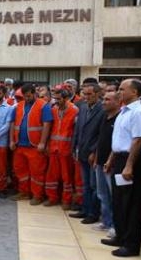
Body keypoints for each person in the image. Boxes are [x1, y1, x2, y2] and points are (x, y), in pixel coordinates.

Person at [101, 79, 141, 257]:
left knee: (130, 205)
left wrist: (129, 166)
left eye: (122, 89)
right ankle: (121, 236)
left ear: (135, 92)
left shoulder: (138, 113)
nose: (118, 92)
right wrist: (111, 159)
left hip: (133, 161)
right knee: (119, 202)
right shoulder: (124, 111)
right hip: (120, 159)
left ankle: (131, 245)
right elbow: (120, 139)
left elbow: (137, 140)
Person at [9, 83, 52, 204]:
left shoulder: (43, 106)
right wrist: (12, 140)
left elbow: (47, 124)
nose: (27, 98)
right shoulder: (18, 106)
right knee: (20, 171)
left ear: (34, 93)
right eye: (25, 96)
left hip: (35, 146)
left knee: (37, 172)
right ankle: (24, 192)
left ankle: (37, 195)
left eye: (28, 96)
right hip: (20, 145)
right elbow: (12, 123)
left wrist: (43, 143)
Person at [71, 83, 104, 223]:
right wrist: (74, 147)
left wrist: (94, 151)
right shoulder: (83, 107)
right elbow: (78, 129)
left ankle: (93, 213)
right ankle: (85, 209)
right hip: (82, 151)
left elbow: (102, 134)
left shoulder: (103, 109)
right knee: (85, 184)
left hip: (92, 154)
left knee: (93, 185)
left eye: (89, 94)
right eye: (84, 94)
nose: (86, 97)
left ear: (97, 94)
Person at [44, 85, 79, 209]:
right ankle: (52, 198)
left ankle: (66, 200)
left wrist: (73, 148)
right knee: (51, 175)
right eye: (55, 98)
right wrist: (47, 144)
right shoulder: (53, 110)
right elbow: (49, 129)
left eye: (59, 99)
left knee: (66, 176)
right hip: (53, 148)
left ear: (66, 98)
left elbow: (76, 131)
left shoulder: (75, 110)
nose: (56, 101)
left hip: (66, 149)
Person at [93, 90, 121, 239]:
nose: (104, 102)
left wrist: (110, 160)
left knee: (114, 195)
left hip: (113, 164)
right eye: (103, 99)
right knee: (102, 194)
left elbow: (117, 143)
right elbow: (100, 139)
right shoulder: (105, 116)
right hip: (100, 161)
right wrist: (97, 158)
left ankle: (116, 226)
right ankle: (106, 221)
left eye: (108, 100)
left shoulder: (120, 118)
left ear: (118, 101)